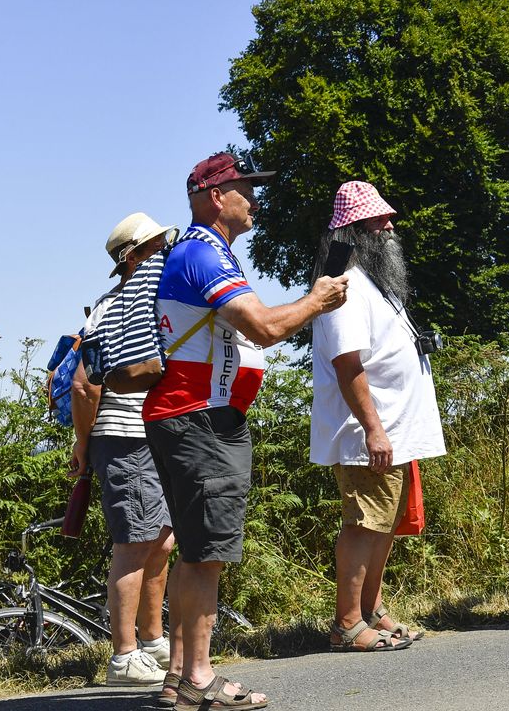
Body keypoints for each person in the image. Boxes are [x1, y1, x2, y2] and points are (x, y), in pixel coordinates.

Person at [111, 151, 348, 709]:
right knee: (206, 554)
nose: (255, 200)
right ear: (217, 196)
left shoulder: (195, 251)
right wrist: (317, 300)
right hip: (199, 419)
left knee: (196, 550)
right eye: (247, 189)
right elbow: (262, 328)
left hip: (186, 417)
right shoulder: (203, 251)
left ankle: (179, 678)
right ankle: (197, 676)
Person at [310, 182, 447, 651]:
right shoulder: (342, 284)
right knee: (364, 523)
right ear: (354, 231)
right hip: (368, 430)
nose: (390, 226)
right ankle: (347, 624)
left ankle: (371, 610)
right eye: (377, 220)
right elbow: (347, 363)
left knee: (383, 523)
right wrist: (373, 428)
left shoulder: (372, 282)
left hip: (392, 429)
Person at [69, 213, 179, 685]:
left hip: (150, 436)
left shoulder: (149, 300)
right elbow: (83, 384)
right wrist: (84, 441)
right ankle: (123, 657)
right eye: (156, 245)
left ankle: (152, 641)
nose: (165, 251)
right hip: (124, 437)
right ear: (132, 256)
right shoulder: (110, 308)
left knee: (161, 540)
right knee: (133, 544)